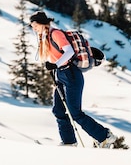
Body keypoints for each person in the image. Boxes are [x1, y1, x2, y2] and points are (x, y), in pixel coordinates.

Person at [29, 10, 117, 148]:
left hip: (71, 75)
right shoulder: (45, 37)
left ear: (42, 23)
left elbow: (69, 51)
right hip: (61, 75)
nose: (33, 28)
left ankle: (105, 136)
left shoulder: (56, 34)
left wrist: (55, 64)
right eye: (32, 26)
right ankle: (69, 142)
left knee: (75, 113)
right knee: (58, 110)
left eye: (35, 25)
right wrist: (54, 66)